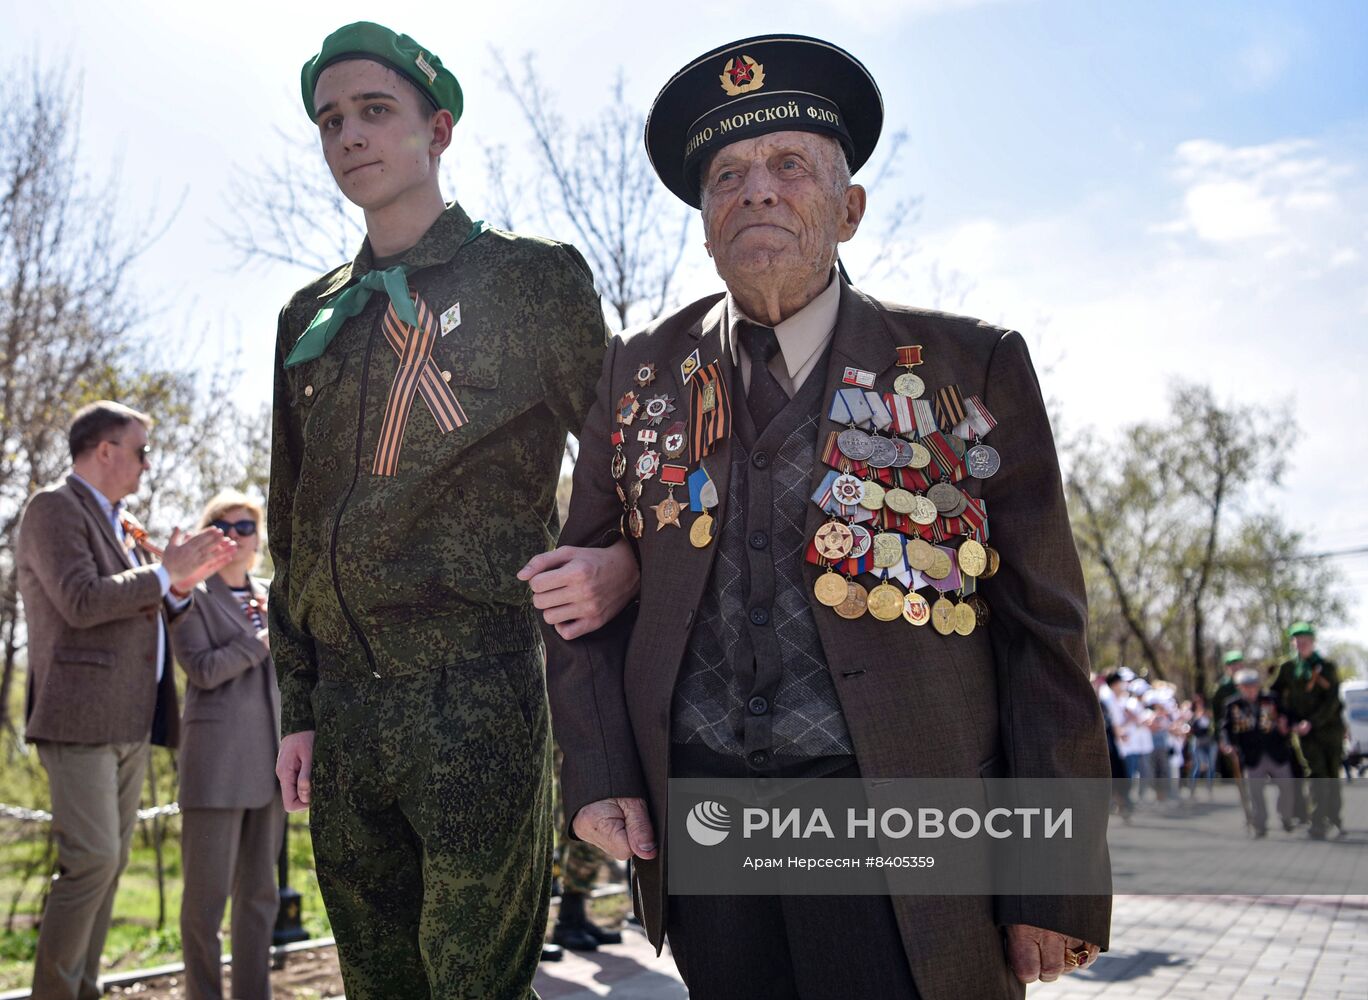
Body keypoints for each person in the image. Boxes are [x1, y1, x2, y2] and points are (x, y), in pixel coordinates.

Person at [528, 34, 1110, 998]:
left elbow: (1046, 632)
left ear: (849, 209)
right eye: (726, 174)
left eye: (788, 165)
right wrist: (597, 771)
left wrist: (1053, 870)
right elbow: (575, 590)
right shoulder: (639, 371)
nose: (755, 189)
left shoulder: (973, 367)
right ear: (705, 222)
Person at [267, 22, 635, 998]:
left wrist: (619, 564)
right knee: (376, 982)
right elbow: (290, 519)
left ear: (439, 129)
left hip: (475, 691)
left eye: (374, 111)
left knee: (474, 981)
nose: (348, 135)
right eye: (330, 119)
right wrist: (297, 707)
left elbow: (619, 462)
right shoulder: (308, 317)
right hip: (345, 714)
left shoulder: (530, 278)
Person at [17, 400, 235, 1000]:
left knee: (108, 868)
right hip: (78, 719)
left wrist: (180, 583)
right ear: (105, 450)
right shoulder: (51, 508)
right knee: (90, 863)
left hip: (131, 721)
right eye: (140, 450)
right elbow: (81, 600)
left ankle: (84, 989)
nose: (147, 463)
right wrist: (165, 575)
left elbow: (145, 602)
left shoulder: (120, 519)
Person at [170, 491, 282, 1000]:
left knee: (260, 898)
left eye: (247, 526)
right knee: (205, 904)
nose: (238, 535)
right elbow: (202, 669)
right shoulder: (192, 594)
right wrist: (257, 644)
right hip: (214, 768)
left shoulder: (272, 597)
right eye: (226, 527)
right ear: (208, 536)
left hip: (272, 770)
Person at [1271, 622, 1345, 839]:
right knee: (1316, 774)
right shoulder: (1287, 668)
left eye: (1305, 640)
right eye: (1297, 640)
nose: (1301, 644)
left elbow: (1332, 701)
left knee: (1332, 775)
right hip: (1304, 732)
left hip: (1329, 730)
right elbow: (1274, 694)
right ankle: (1318, 821)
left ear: (1313, 642)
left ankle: (1334, 816)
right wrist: (1285, 717)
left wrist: (1312, 722)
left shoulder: (1327, 666)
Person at [1220, 668, 1295, 837]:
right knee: (1255, 792)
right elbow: (1226, 728)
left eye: (1253, 686)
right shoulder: (1233, 705)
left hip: (1276, 751)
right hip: (1251, 755)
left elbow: (1287, 715)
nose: (1250, 690)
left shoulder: (1271, 699)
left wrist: (1286, 723)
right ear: (1239, 687)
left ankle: (1285, 815)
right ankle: (1260, 824)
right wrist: (1228, 744)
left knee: (1287, 786)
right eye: (1246, 687)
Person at [1187, 694, 1218, 798]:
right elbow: (1191, 729)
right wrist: (1197, 717)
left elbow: (1213, 727)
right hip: (1199, 742)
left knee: (1211, 767)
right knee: (1199, 766)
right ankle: (1192, 789)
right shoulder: (1192, 715)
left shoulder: (1208, 713)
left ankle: (1210, 789)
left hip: (1209, 742)